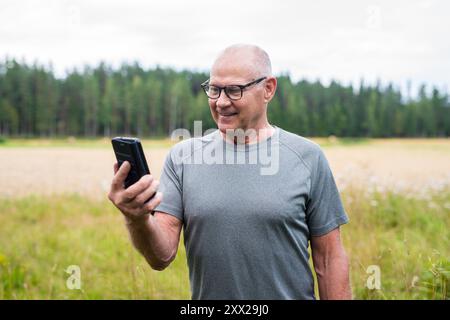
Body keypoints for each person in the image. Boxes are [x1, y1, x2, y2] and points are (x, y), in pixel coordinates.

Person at [108, 44, 351, 300]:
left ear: (268, 88)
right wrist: (137, 218)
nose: (221, 102)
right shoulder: (182, 158)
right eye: (214, 89)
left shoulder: (307, 158)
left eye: (234, 90)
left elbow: (329, 259)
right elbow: (161, 256)